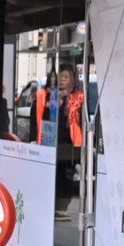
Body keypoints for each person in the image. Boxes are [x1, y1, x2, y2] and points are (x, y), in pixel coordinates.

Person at [36, 65, 83, 211]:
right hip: (47, 145)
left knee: (66, 179)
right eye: (59, 76)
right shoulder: (45, 96)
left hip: (68, 148)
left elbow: (81, 122)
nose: (62, 79)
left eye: (66, 76)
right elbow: (35, 119)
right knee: (49, 178)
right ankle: (49, 207)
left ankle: (61, 208)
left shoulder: (77, 98)